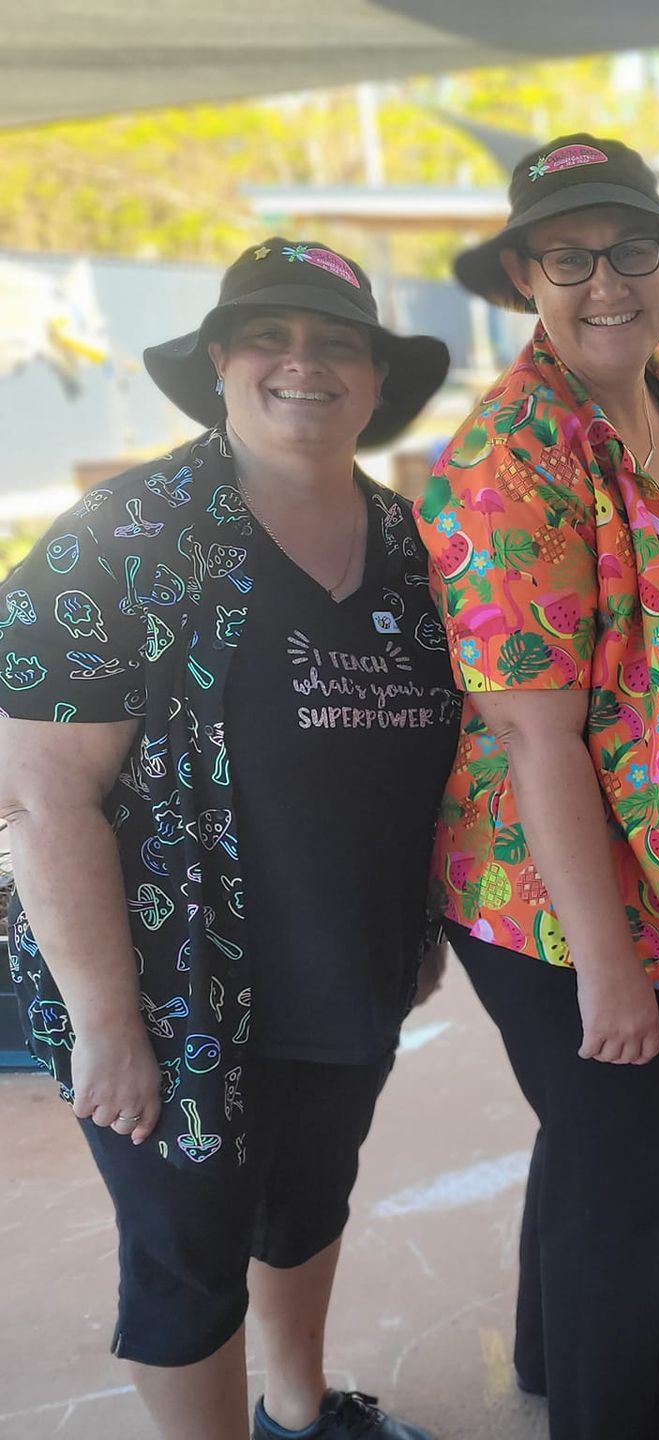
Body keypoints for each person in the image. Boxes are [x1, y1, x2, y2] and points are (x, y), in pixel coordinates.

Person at [0, 238, 456, 1440]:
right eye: (270, 337)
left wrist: (414, 932)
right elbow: (43, 799)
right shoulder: (125, 535)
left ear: (372, 379)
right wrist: (106, 1024)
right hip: (170, 995)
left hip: (344, 968)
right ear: (218, 364)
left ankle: (301, 1413)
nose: (302, 364)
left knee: (310, 1205)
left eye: (337, 343)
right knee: (187, 1257)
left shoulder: (415, 552)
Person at [414, 133, 659, 1440]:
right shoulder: (511, 457)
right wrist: (608, 964)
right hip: (557, 890)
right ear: (522, 278)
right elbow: (533, 735)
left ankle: (560, 1346)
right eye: (569, 258)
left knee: (596, 1141)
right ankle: (619, 1402)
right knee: (639, 1183)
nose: (606, 282)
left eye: (634, 252)